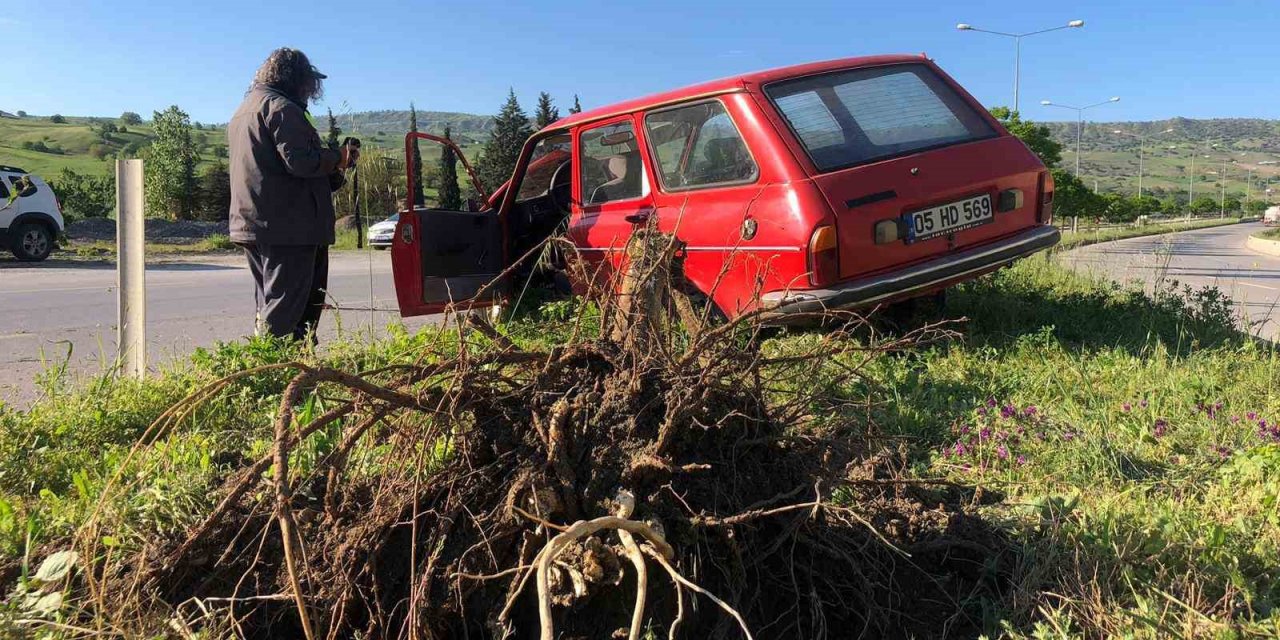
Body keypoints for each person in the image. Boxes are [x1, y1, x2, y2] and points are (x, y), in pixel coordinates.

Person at [227, 48, 357, 344]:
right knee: (290, 309)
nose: (312, 88)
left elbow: (280, 172)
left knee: (270, 303)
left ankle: (280, 369)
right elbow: (301, 162)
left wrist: (336, 167)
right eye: (309, 81)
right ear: (295, 78)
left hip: (258, 222)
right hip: (289, 228)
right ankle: (279, 374)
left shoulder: (246, 109)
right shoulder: (282, 108)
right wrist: (336, 156)